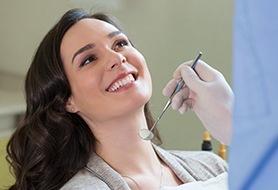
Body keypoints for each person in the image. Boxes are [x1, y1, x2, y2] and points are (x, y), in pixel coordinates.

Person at [6, 8, 233, 190]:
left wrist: (233, 126)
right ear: (68, 100)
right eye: (89, 59)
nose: (117, 58)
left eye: (120, 44)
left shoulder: (212, 167)